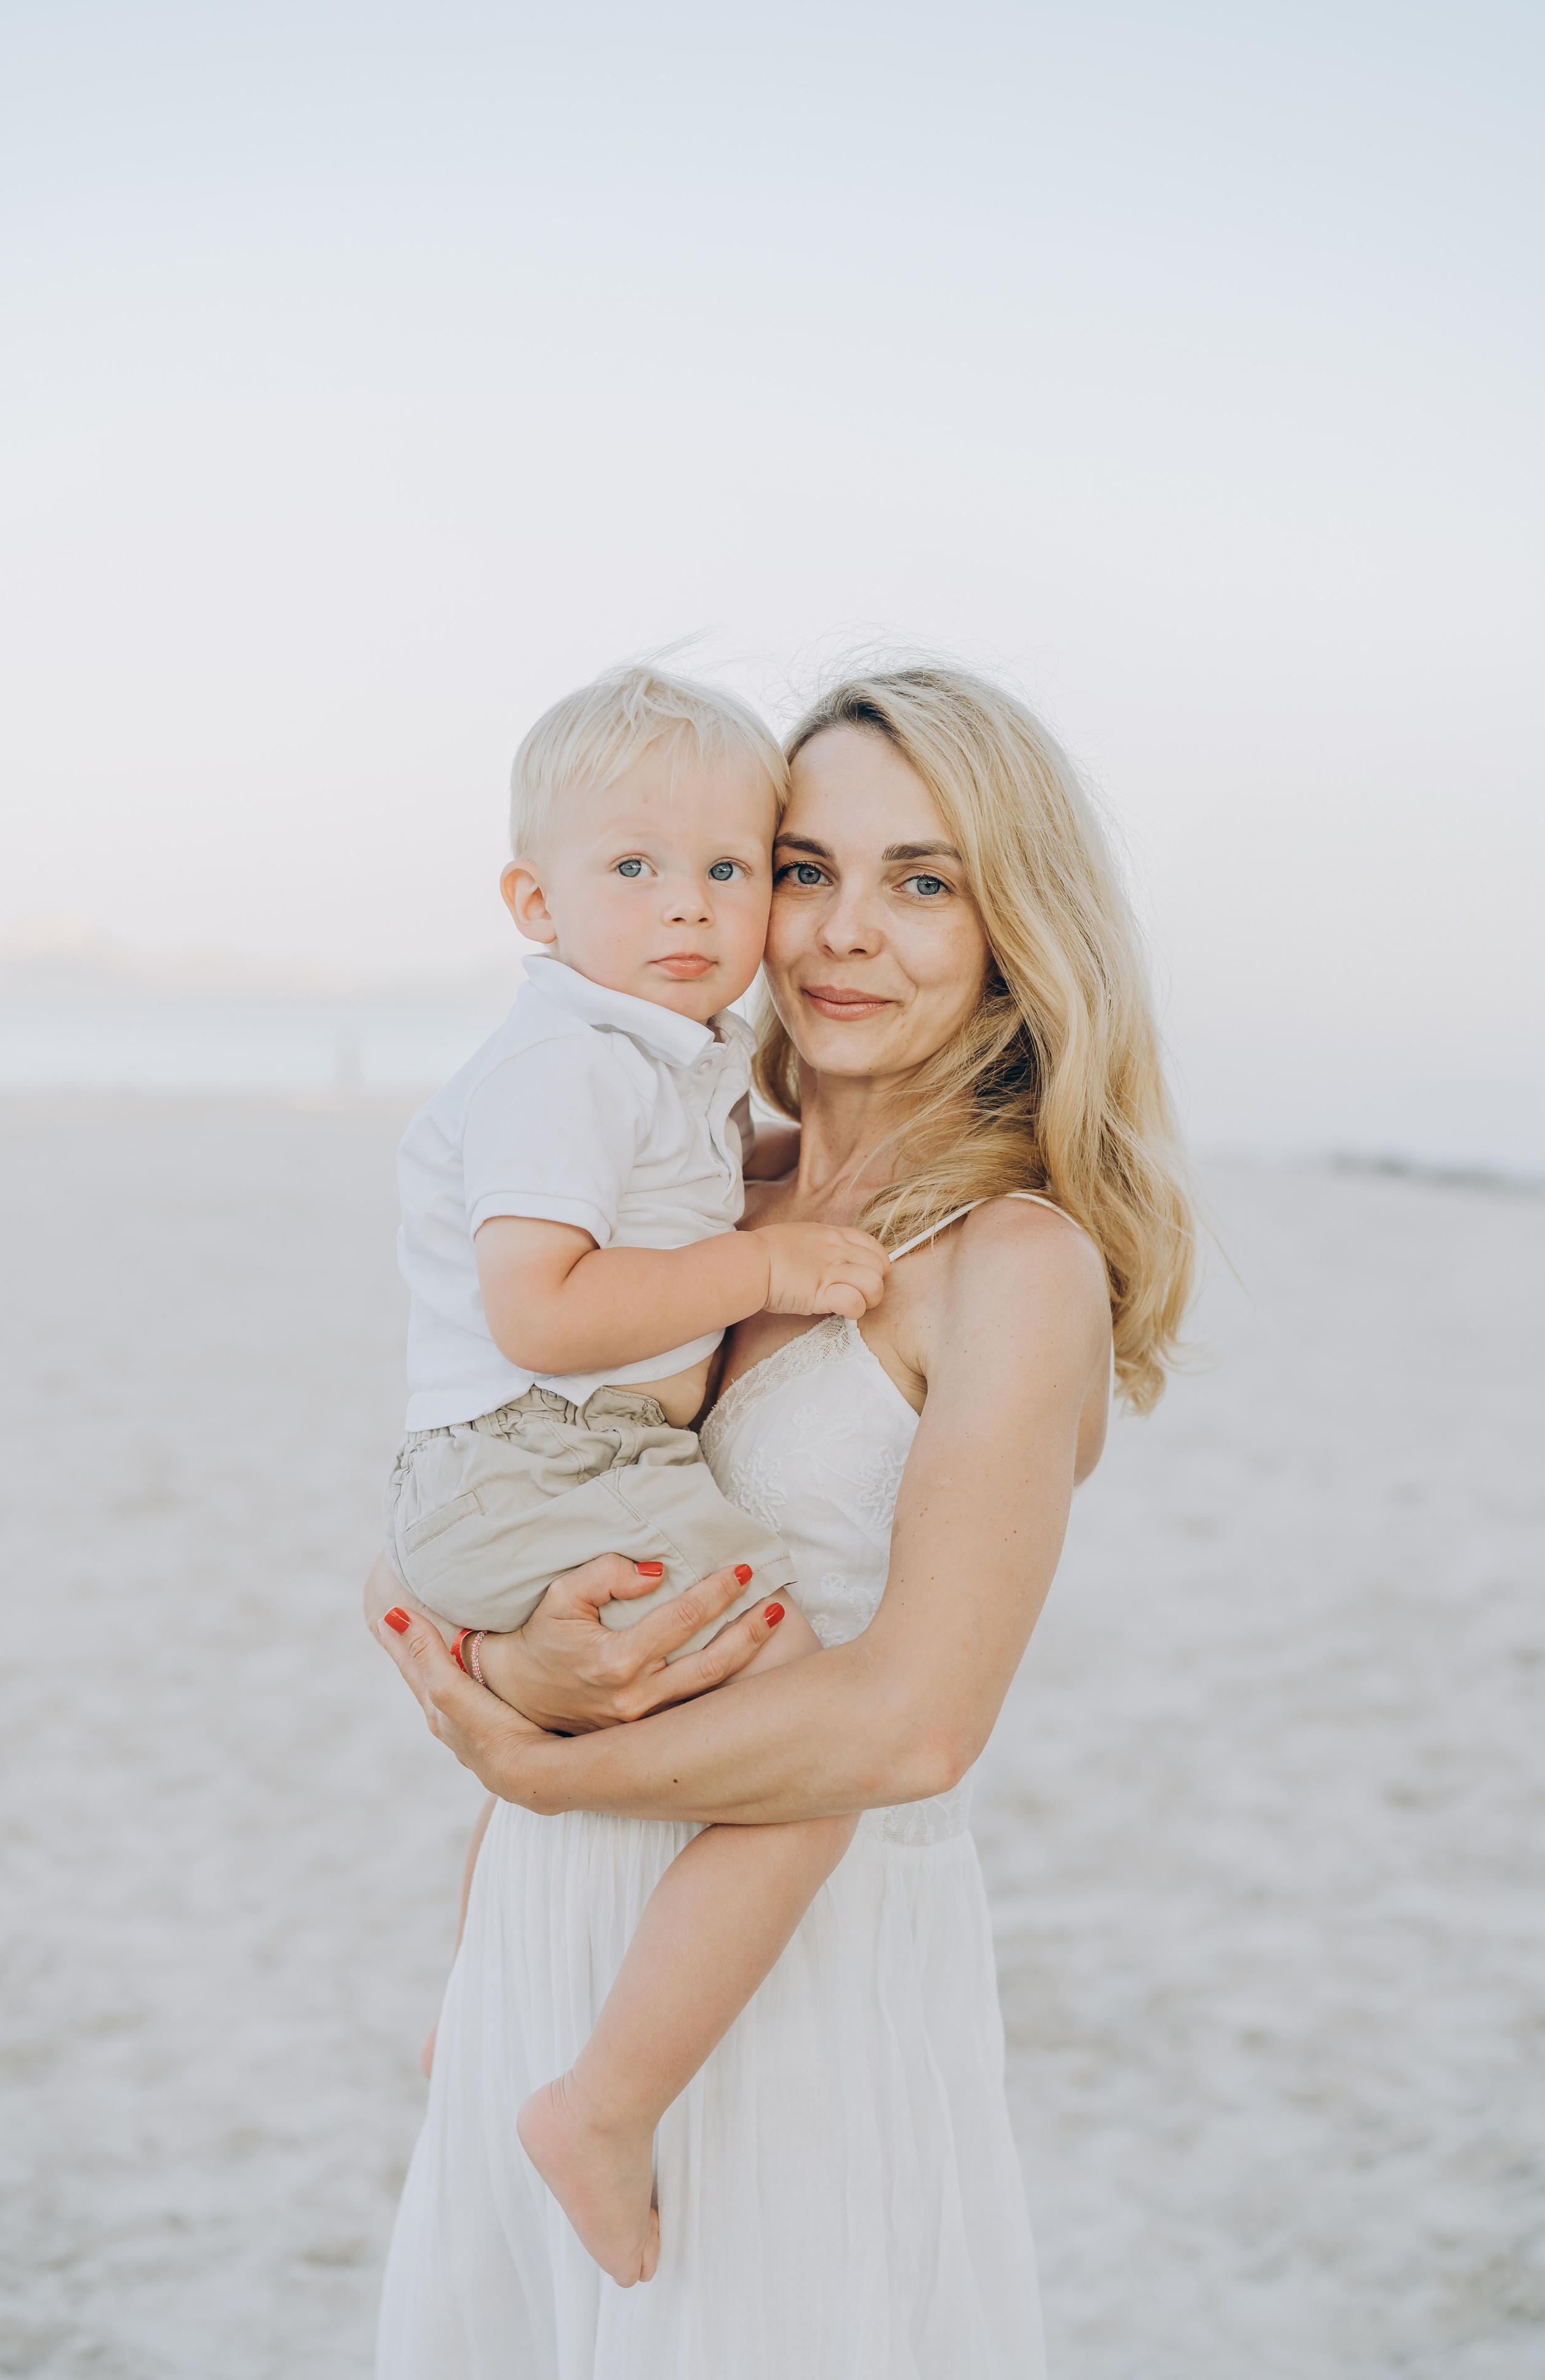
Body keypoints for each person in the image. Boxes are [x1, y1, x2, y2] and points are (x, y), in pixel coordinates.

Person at [369, 661, 1196, 2379]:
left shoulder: (1012, 1263)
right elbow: (452, 1493)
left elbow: (915, 1723)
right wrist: (523, 1664)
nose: (837, 933)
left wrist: (539, 1755)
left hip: (798, 1981)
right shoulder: (679, 1198)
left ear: (1010, 925)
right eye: (804, 866)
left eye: (923, 880)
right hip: (551, 1934)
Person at [383, 662, 892, 2284]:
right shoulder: (575, 1065)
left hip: (537, 1464)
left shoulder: (649, 1057)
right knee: (809, 1748)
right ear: (535, 899)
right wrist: (770, 1271)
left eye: (731, 870)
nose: (691, 908)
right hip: (551, 1453)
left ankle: (475, 2022)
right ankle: (600, 2106)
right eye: (635, 869)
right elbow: (539, 1311)